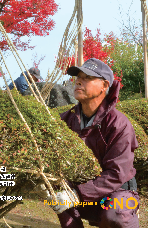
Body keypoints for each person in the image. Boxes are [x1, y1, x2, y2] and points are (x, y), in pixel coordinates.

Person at [34, 58, 140, 228]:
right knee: (57, 191)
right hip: (80, 193)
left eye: (87, 77)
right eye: (77, 77)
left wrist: (77, 195)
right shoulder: (65, 120)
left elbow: (116, 174)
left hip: (116, 192)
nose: (78, 81)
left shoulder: (118, 124)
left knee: (116, 216)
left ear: (104, 86)